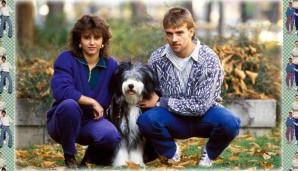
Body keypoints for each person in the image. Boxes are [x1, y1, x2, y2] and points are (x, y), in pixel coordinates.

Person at [137, 7, 240, 167]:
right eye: (169, 33)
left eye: (179, 33)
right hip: (172, 118)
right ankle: (171, 152)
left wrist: (161, 102)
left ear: (191, 31)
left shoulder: (209, 59)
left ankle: (210, 154)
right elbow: (151, 91)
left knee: (230, 122)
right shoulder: (157, 58)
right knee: (145, 121)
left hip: (205, 116)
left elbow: (199, 107)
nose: (174, 39)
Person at [46, 15, 121, 169]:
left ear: (103, 41)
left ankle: (89, 158)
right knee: (69, 105)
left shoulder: (112, 65)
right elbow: (61, 90)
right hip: (62, 120)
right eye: (87, 37)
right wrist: (92, 101)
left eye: (97, 37)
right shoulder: (66, 59)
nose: (92, 42)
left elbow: (122, 91)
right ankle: (69, 156)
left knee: (111, 136)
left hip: (91, 122)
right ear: (79, 40)